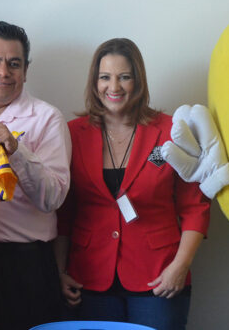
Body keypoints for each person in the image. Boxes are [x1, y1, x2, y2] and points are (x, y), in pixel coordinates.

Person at [55, 38, 210, 330]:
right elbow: (64, 212)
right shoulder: (72, 133)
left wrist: (181, 266)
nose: (113, 87)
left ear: (138, 80)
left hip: (159, 279)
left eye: (124, 77)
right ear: (94, 81)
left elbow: (195, 206)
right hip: (88, 278)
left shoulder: (170, 130)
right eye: (105, 77)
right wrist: (59, 270)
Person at [0, 21, 71, 330]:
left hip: (27, 267)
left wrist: (15, 150)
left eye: (14, 64)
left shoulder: (47, 118)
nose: (3, 72)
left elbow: (53, 198)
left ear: (25, 71)